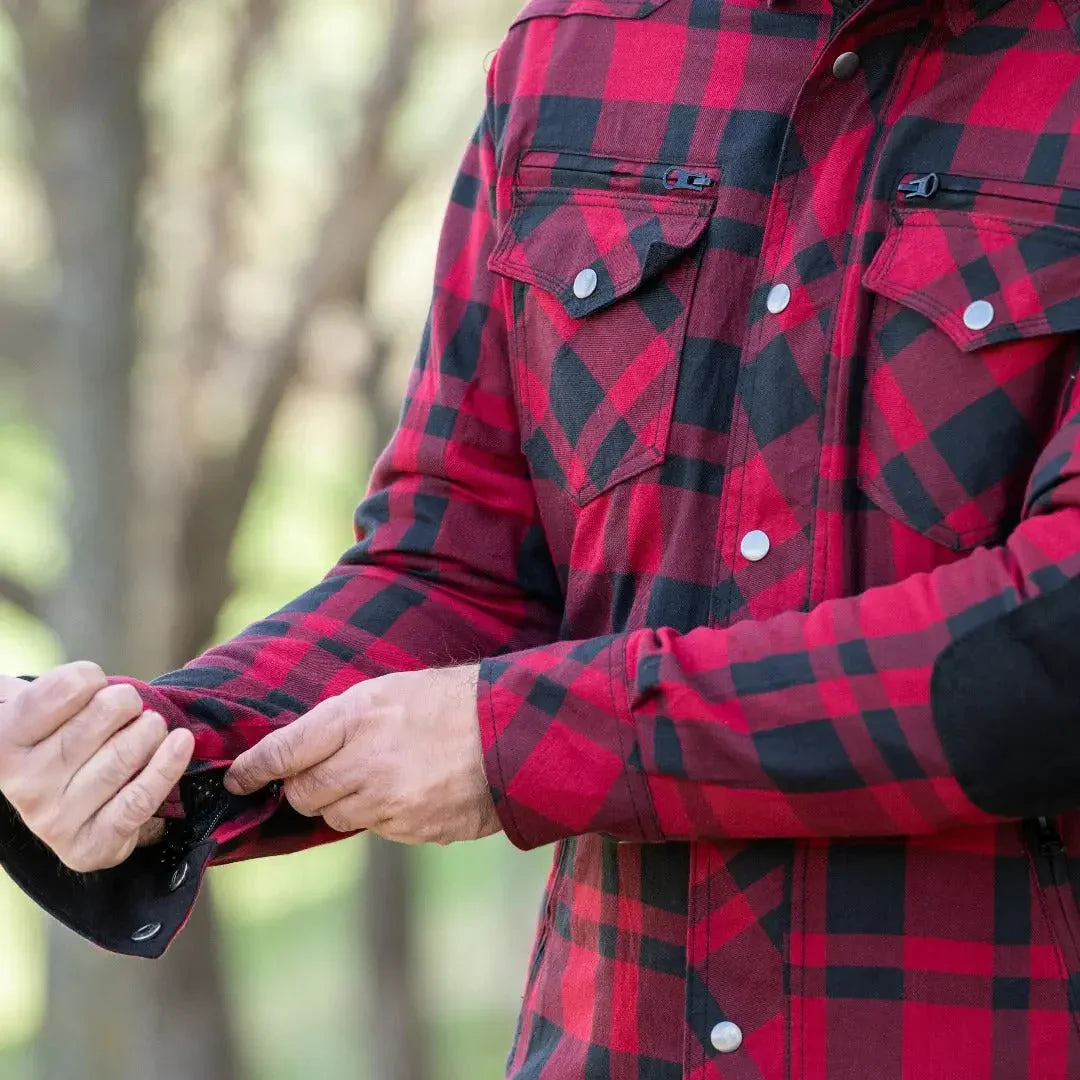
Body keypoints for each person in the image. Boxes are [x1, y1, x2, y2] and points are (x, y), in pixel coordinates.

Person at [4, 0, 1080, 1075]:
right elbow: (460, 560)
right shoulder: (575, 50)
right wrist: (157, 751)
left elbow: (1049, 647)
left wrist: (530, 745)